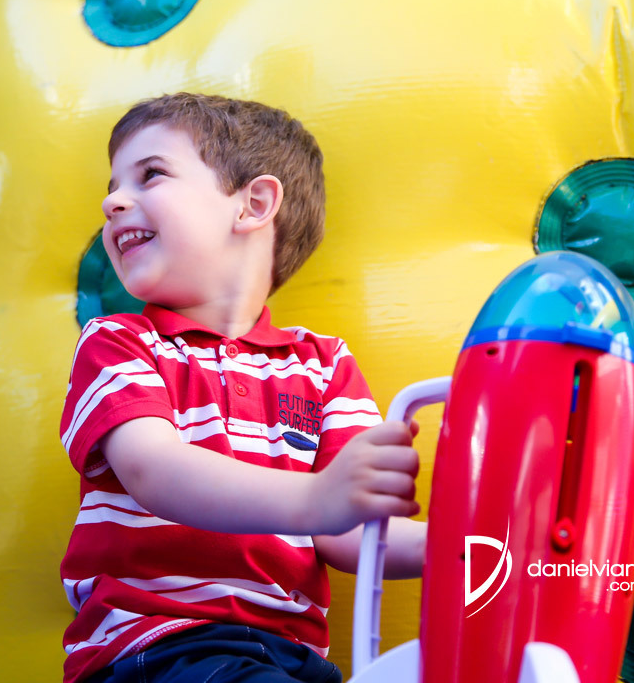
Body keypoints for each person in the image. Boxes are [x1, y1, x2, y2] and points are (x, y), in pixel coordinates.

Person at [59, 93, 425, 683]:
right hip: (157, 646)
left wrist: (469, 546)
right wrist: (317, 497)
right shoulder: (119, 342)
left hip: (293, 656)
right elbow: (154, 470)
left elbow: (352, 532)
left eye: (151, 174)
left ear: (253, 204)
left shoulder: (324, 364)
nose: (113, 201)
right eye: (113, 185)